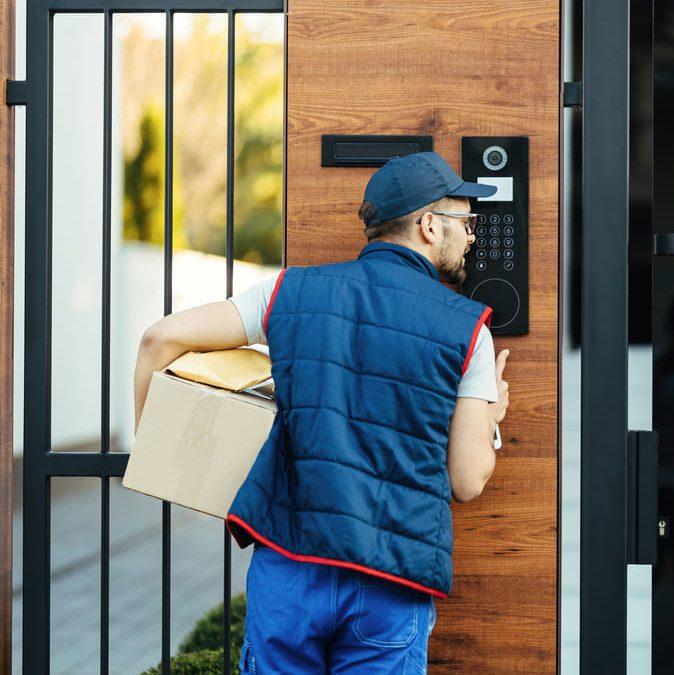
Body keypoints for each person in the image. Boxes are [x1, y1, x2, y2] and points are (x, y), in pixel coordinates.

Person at [133, 151, 510, 673]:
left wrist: (152, 454)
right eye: (466, 222)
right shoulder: (470, 329)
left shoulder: (288, 292)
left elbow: (160, 338)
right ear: (428, 225)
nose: (472, 236)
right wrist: (491, 420)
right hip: (391, 579)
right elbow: (466, 479)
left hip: (290, 565)